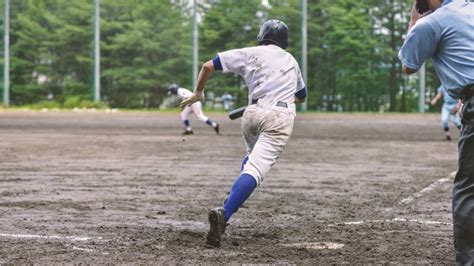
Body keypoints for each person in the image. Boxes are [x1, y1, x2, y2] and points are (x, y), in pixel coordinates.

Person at [180, 19, 306, 248]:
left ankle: (231, 203)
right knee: (256, 170)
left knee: (251, 158)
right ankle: (225, 214)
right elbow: (302, 95)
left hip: (252, 113)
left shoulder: (250, 53)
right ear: (284, 41)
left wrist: (198, 93)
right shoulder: (291, 60)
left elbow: (208, 65)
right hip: (279, 117)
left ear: (262, 36)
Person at [398, 0, 474, 263]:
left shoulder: (431, 23)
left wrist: (413, 23)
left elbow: (409, 65)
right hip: (467, 98)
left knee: (468, 189)